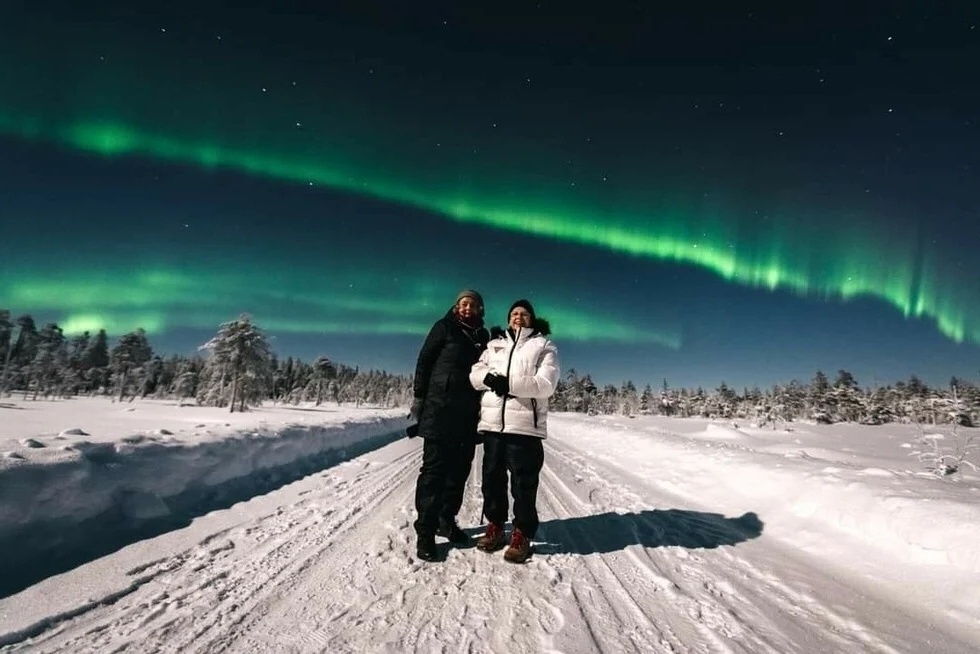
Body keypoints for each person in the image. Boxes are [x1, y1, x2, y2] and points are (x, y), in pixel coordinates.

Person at [469, 299, 559, 564]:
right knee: (492, 479)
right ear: (509, 318)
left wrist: (507, 383)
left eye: (524, 313)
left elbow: (545, 384)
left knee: (523, 483)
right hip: (493, 424)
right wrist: (487, 378)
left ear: (532, 319)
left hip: (524, 428)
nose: (519, 317)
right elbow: (474, 374)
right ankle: (496, 525)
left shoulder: (544, 346)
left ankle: (522, 533)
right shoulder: (494, 344)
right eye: (514, 313)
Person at [411, 289, 490, 562]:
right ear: (456, 306)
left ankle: (447, 520)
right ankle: (425, 532)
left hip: (467, 414)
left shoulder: (482, 337)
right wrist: (419, 398)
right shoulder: (443, 327)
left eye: (473, 304)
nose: (467, 308)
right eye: (463, 303)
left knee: (459, 471)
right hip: (439, 410)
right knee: (434, 472)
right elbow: (424, 361)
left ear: (480, 309)